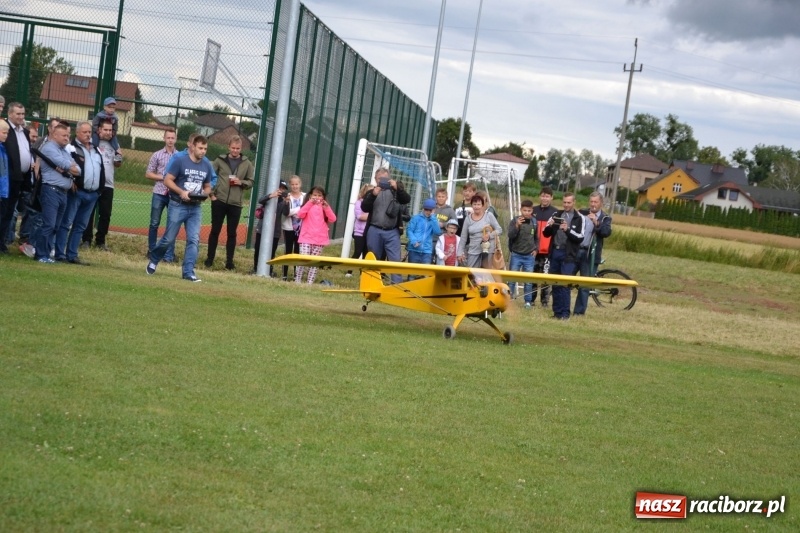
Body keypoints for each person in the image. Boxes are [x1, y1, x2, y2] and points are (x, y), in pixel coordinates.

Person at [146, 135, 213, 282]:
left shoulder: (207, 165)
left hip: (195, 207)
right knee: (168, 239)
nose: (203, 151)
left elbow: (208, 186)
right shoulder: (180, 160)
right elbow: (167, 180)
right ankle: (154, 259)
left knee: (194, 239)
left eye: (205, 149)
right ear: (193, 147)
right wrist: (182, 192)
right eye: (200, 148)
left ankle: (188, 272)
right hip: (178, 204)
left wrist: (203, 194)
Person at [54, 121, 104, 265]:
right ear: (77, 133)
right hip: (77, 192)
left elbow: (102, 171)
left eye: (90, 132)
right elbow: (64, 167)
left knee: (81, 226)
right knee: (66, 223)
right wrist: (72, 181)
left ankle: (72, 255)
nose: (88, 135)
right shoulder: (71, 149)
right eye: (85, 132)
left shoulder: (96, 150)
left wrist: (99, 190)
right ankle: (60, 254)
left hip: (93, 194)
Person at [204, 136, 255, 270]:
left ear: (241, 148)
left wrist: (241, 182)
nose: (235, 151)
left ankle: (229, 262)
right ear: (228, 147)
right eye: (233, 148)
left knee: (232, 233)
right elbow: (209, 175)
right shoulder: (220, 160)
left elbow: (251, 181)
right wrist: (212, 195)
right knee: (215, 230)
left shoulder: (247, 163)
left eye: (238, 148)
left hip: (235, 204)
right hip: (219, 201)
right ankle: (209, 259)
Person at [34, 122, 80, 263]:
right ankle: (41, 254)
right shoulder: (49, 148)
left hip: (63, 193)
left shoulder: (64, 150)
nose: (67, 138)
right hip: (51, 191)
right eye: (64, 135)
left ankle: (47, 254)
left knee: (56, 226)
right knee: (49, 224)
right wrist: (69, 166)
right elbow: (68, 165)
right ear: (55, 135)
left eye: (68, 135)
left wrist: (70, 167)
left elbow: (78, 170)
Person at [361, 167, 411, 284]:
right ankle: (373, 283)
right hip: (374, 229)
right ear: (375, 179)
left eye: (385, 179)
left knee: (395, 261)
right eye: (380, 179)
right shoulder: (371, 192)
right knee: (373, 259)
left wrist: (398, 188)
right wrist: (373, 195)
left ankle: (396, 286)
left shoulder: (396, 192)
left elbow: (406, 200)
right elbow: (364, 207)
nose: (383, 181)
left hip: (392, 231)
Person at [542, 192, 584, 320]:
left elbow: (580, 237)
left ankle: (565, 314)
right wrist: (549, 226)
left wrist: (568, 229)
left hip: (568, 254)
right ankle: (557, 312)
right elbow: (546, 233)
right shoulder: (556, 214)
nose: (566, 205)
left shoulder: (579, 217)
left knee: (565, 284)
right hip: (555, 252)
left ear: (574, 202)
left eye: (569, 202)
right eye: (564, 202)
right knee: (555, 283)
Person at [573, 192, 612, 316]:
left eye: (595, 202)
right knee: (564, 280)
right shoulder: (581, 212)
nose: (593, 204)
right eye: (591, 202)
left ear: (601, 203)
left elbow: (606, 232)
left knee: (585, 286)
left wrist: (597, 223)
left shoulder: (605, 218)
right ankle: (561, 309)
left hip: (591, 255)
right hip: (576, 251)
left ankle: (579, 313)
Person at [0, 102, 32, 254]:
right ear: (10, 114)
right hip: (8, 179)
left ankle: (2, 242)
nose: (21, 117)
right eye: (18, 114)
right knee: (4, 212)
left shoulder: (24, 132)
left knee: (10, 212)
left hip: (21, 179)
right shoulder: (5, 129)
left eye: (23, 114)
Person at [82, 120, 117, 251]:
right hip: (94, 184)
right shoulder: (92, 144)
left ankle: (101, 241)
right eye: (105, 130)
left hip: (108, 185)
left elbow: (117, 163)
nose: (108, 133)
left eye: (110, 130)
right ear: (99, 130)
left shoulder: (114, 145)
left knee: (105, 214)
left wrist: (119, 159)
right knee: (89, 213)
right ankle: (86, 240)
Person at [145, 128, 177, 262]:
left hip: (174, 195)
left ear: (175, 139)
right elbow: (148, 173)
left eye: (172, 138)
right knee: (154, 223)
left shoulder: (180, 156)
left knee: (172, 225)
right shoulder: (157, 155)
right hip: (159, 193)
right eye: (168, 138)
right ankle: (152, 251)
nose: (170, 140)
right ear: (164, 138)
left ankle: (169, 255)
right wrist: (162, 177)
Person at [294, 185, 336, 284]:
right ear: (310, 196)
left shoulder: (325, 207)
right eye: (315, 195)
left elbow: (333, 219)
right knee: (303, 260)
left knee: (314, 262)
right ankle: (297, 280)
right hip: (306, 238)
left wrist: (327, 207)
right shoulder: (307, 205)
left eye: (319, 195)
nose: (317, 197)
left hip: (319, 239)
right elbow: (300, 214)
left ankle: (310, 282)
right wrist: (309, 203)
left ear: (323, 197)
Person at [457, 192, 502, 268]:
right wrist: (459, 253)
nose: (476, 207)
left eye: (478, 204)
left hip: (488, 250)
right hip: (473, 250)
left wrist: (489, 235)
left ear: (482, 205)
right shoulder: (468, 219)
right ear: (472, 205)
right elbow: (463, 238)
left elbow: (499, 230)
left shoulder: (489, 215)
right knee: (472, 274)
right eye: (474, 204)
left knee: (487, 275)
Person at [507, 199, 538, 309]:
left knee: (528, 281)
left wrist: (536, 249)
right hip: (516, 254)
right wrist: (517, 226)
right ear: (521, 210)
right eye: (524, 210)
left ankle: (528, 302)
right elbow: (510, 235)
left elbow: (536, 238)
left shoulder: (534, 222)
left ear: (532, 210)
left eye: (529, 210)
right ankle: (508, 299)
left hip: (529, 256)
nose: (527, 213)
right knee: (512, 279)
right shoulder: (515, 220)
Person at [253, 180, 288, 275]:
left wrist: (287, 203)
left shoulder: (284, 200)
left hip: (275, 231)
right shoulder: (269, 196)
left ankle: (269, 270)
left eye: (283, 188)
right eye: (280, 187)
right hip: (262, 228)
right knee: (258, 249)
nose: (281, 190)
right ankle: (256, 268)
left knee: (272, 251)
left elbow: (286, 213)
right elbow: (260, 200)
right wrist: (271, 196)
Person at [531, 186, 558, 308]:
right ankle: (531, 300)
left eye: (547, 196)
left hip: (547, 251)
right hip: (534, 250)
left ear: (551, 198)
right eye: (543, 195)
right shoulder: (533, 210)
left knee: (545, 278)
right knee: (533, 276)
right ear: (539, 196)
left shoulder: (555, 212)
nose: (545, 198)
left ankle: (545, 302)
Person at [279, 175, 305, 280]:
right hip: (289, 227)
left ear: (300, 184)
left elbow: (306, 211)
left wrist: (295, 211)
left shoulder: (305, 196)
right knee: (288, 250)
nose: (295, 186)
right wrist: (299, 209)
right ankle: (284, 274)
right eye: (293, 184)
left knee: (298, 251)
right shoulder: (287, 196)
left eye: (297, 184)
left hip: (301, 228)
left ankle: (296, 275)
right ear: (290, 185)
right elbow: (286, 213)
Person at [406, 198, 441, 265]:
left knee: (425, 274)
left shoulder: (434, 220)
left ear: (433, 210)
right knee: (412, 273)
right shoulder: (416, 218)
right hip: (414, 250)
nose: (428, 212)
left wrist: (433, 218)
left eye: (430, 210)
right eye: (426, 209)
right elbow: (409, 230)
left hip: (427, 251)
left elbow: (437, 232)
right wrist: (414, 241)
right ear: (423, 209)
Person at [345, 184, 371, 277]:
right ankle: (349, 271)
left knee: (366, 253)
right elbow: (360, 216)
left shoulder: (373, 204)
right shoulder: (359, 203)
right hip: (359, 232)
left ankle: (363, 274)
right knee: (357, 252)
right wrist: (372, 216)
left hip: (369, 233)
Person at [431, 187, 456, 259]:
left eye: (443, 196)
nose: (441, 198)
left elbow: (454, 223)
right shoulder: (432, 208)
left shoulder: (450, 210)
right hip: (431, 239)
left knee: (441, 261)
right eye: (439, 196)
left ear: (446, 198)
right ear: (436, 197)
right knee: (428, 260)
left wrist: (443, 224)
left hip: (443, 240)